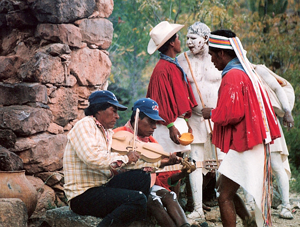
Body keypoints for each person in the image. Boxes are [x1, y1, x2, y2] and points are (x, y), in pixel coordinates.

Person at [201, 30, 281, 227]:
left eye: (212, 54)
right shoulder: (244, 71)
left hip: (246, 144)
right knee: (224, 188)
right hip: (251, 141)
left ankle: (248, 223)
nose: (211, 60)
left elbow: (232, 114)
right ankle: (249, 222)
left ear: (221, 54)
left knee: (224, 196)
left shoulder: (233, 75)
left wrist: (211, 113)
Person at [63, 90, 177, 227]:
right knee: (138, 199)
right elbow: (92, 157)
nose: (117, 116)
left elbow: (127, 164)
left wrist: (161, 162)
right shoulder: (85, 125)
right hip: (82, 195)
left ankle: (135, 221)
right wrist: (126, 158)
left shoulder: (108, 133)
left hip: (101, 188)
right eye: (114, 111)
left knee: (143, 176)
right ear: (99, 109)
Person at [113, 98, 202, 227]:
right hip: (124, 187)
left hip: (148, 185)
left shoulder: (152, 142)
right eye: (151, 122)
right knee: (153, 201)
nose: (154, 126)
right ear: (138, 118)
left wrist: (181, 172)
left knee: (170, 195)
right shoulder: (118, 135)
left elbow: (162, 178)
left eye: (155, 122)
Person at [177, 22, 222, 220]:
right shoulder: (181, 60)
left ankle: (224, 205)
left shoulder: (219, 57)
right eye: (186, 38)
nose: (188, 42)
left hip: (220, 117)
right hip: (194, 118)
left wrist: (219, 111)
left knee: (223, 162)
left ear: (205, 39)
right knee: (194, 162)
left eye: (193, 38)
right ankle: (197, 209)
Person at [244, 64, 295, 219]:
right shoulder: (233, 72)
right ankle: (249, 204)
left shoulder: (257, 69)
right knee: (250, 165)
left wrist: (287, 111)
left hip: (268, 121)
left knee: (277, 165)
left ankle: (285, 205)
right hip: (249, 123)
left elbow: (278, 88)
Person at [146, 21, 198, 154]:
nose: (181, 42)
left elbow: (180, 97)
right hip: (168, 127)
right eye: (178, 39)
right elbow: (159, 101)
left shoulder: (173, 66)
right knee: (169, 168)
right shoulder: (162, 69)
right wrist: (170, 126)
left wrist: (186, 122)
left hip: (176, 124)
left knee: (180, 167)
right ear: (172, 43)